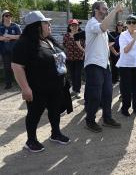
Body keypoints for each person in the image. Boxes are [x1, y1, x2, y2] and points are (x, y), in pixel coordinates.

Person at [11, 11, 70, 152]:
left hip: (55, 86)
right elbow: (17, 66)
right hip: (37, 87)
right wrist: (25, 89)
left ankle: (55, 133)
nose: (49, 25)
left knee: (55, 111)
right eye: (45, 23)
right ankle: (31, 140)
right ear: (36, 26)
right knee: (34, 113)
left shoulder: (47, 39)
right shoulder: (24, 43)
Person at [84, 1, 122, 133]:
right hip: (93, 64)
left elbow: (102, 43)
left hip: (105, 65)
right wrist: (115, 10)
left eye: (107, 9)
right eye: (104, 9)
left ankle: (107, 118)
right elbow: (103, 27)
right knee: (95, 95)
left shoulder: (101, 26)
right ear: (95, 10)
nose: (106, 11)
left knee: (107, 93)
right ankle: (90, 120)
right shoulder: (92, 23)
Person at [116, 15, 136, 116]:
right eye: (129, 22)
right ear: (126, 24)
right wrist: (133, 39)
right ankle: (125, 108)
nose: (132, 24)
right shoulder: (123, 35)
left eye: (134, 22)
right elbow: (125, 50)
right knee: (126, 88)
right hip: (125, 65)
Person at [0, 10, 21, 89]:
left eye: (9, 15)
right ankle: (8, 84)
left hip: (15, 50)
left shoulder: (15, 26)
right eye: (6, 15)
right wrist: (10, 37)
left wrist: (8, 36)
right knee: (7, 67)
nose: (8, 17)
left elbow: (20, 36)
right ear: (3, 17)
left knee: (17, 67)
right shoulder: (0, 26)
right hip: (4, 51)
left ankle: (19, 82)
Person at [63, 19, 84, 99]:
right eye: (73, 25)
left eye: (76, 25)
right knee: (72, 75)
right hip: (69, 59)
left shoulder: (81, 35)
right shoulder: (66, 36)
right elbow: (64, 45)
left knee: (77, 75)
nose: (75, 27)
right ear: (70, 27)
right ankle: (74, 89)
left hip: (79, 58)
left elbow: (84, 45)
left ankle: (77, 91)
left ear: (78, 26)